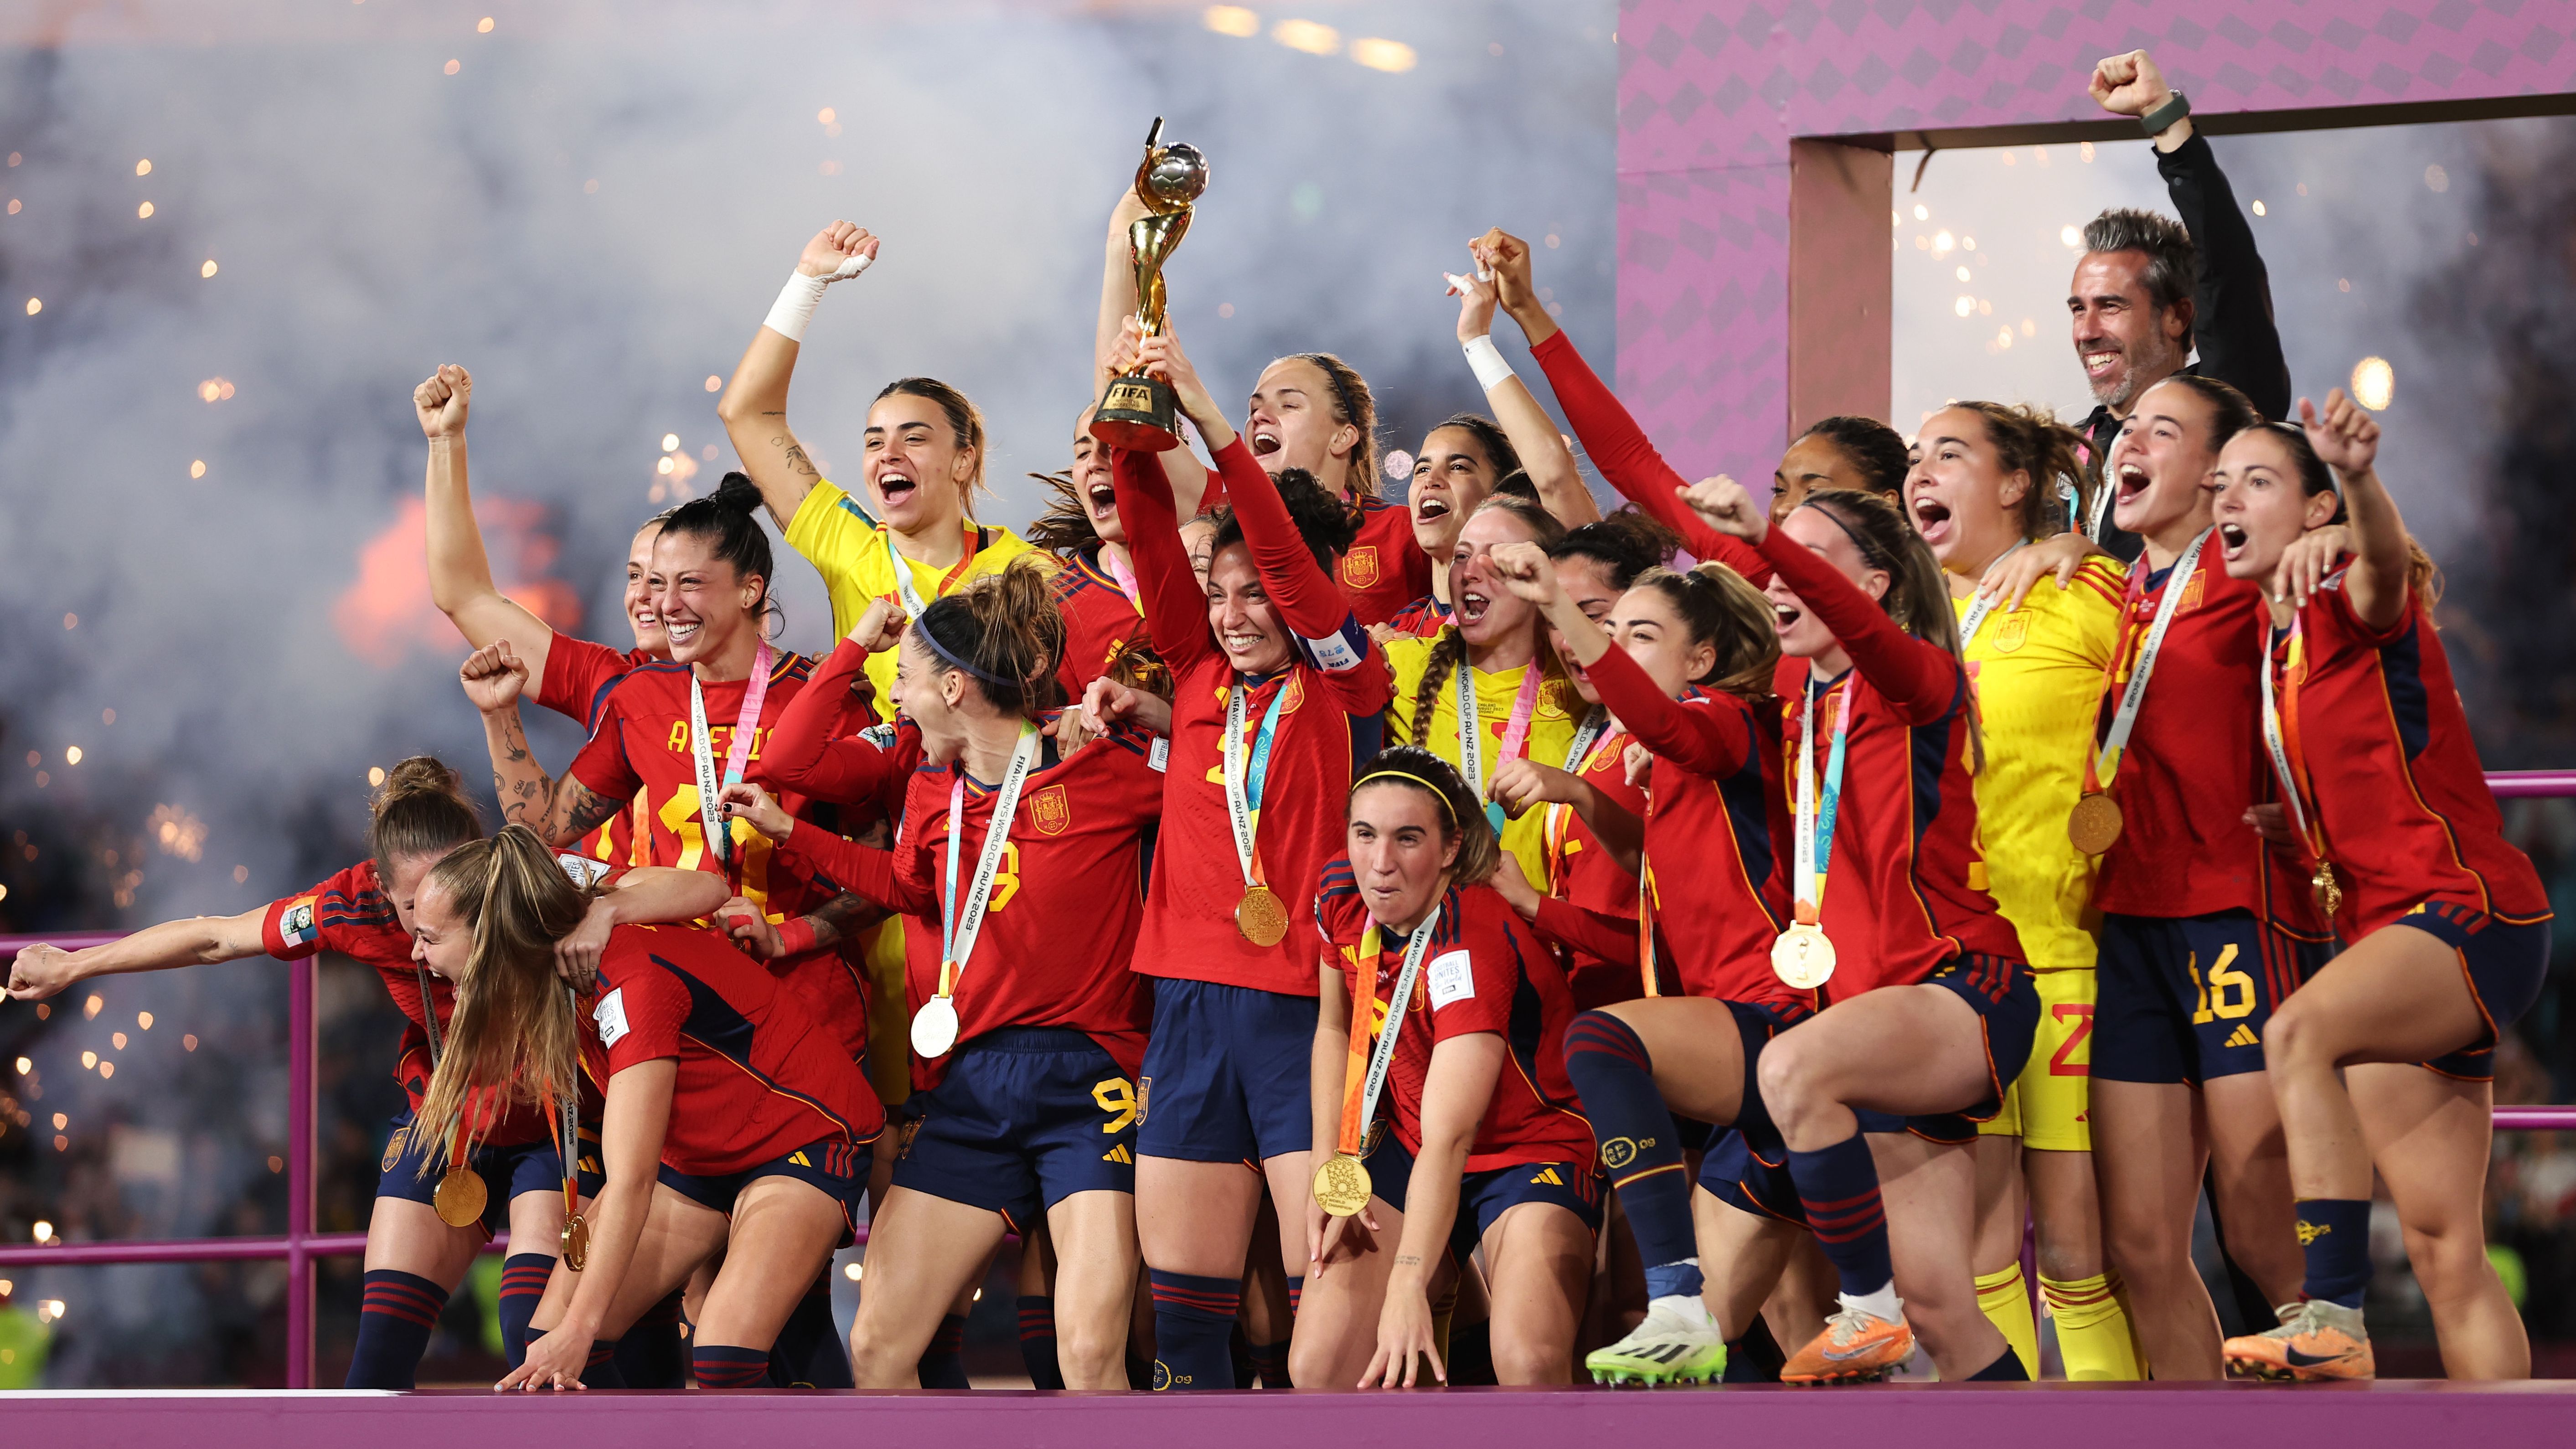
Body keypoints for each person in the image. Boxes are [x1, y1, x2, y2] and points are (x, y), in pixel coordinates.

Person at [1, 761, 725, 1387]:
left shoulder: (522, 876)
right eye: (417, 908)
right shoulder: (351, 902)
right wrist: (77, 963)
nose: (437, 919)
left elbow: (704, 890)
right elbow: (217, 935)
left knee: (530, 1336)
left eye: (458, 893)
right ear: (383, 890)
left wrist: (605, 909)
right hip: (451, 1126)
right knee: (375, 1359)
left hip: (560, 1123)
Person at [721, 560, 1159, 1391]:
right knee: (883, 1347)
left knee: (1091, 1353)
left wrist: (1145, 713)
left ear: (955, 687)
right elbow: (908, 885)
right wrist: (790, 832)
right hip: (971, 1083)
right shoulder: (932, 791)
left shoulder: (1099, 769)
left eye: (909, 678)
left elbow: (1224, 774)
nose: (897, 696)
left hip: (1088, 1079)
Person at [2210, 395, 2549, 1381]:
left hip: (2462, 911)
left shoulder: (2346, 597)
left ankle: (2330, 1310)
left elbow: (2384, 567)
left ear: (2316, 513)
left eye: (2257, 480)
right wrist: (2301, 824)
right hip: (2396, 936)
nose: (2227, 496)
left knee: (2295, 1033)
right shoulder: (2272, 644)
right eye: (2219, 482)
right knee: (2446, 1248)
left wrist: (2356, 476)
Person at [1086, 320, 1393, 1391]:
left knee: (1326, 1332)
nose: (1233, 614)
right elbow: (1149, 538)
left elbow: (1290, 575)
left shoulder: (1348, 673)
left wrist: (1209, 416)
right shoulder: (1199, 671)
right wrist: (1133, 419)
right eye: (1221, 596)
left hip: (1308, 1017)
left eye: (1254, 591)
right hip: (1187, 1006)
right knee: (1187, 1332)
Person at [1681, 479, 2039, 1386]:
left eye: (1800, 558)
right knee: (1945, 1315)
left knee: (1789, 1065)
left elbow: (1858, 624)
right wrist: (1520, 336)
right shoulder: (1798, 679)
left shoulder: (1916, 673)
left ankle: (1864, 1308)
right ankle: (1907, 1323)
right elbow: (1650, 483)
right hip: (1876, 1025)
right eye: (1771, 562)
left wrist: (1765, 530)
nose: (1773, 577)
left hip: (1964, 987)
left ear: (1871, 582)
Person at [2039, 375, 2333, 1381]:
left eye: (2158, 431)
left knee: (2261, 1228)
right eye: (2126, 427)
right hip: (2127, 923)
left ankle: (2341, 1413)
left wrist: (2315, 820)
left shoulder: (2253, 571)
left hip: (2235, 911)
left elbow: (2345, 674)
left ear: (2214, 479)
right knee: (2141, 1247)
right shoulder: (2125, 590)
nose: (2128, 440)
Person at [1481, 539, 1809, 1387]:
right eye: (1608, 632)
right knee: (1717, 1355)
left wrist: (1557, 602)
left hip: (1781, 1026)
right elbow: (1649, 910)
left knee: (1600, 1041)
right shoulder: (1661, 757)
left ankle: (1671, 1288)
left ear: (1700, 657)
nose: (1613, 653)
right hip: (1744, 1071)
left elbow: (1669, 722)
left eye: (1640, 637)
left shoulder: (1728, 720)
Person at [404, 827, 881, 1391]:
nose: (415, 952)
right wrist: (573, 1328)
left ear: (490, 936)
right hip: (699, 1157)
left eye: (429, 936)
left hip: (801, 1134)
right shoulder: (540, 922)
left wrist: (584, 1327)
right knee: (544, 1341)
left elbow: (631, 1177)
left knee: (722, 1353)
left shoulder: (628, 984)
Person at [1906, 402, 2142, 1379]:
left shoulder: (2076, 588)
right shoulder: (1909, 622)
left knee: (2080, 1258)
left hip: (2061, 958)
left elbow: (2159, 688)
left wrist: (2087, 549)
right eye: (1913, 455)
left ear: (2013, 485)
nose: (1920, 468)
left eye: (1947, 453)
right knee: (1979, 1251)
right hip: (1955, 971)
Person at [1292, 750, 1599, 1387]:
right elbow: (1330, 1024)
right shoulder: (1337, 889)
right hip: (1408, 1140)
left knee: (1529, 1361)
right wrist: (1330, 1159)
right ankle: (1456, 1333)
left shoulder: (1470, 936)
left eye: (1408, 838)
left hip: (1524, 1148)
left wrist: (1408, 1281)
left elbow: (1453, 1134)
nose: (1380, 863)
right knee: (1319, 1370)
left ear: (1451, 846)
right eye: (1364, 833)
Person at [716, 221, 1044, 719]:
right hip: (882, 794)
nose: (888, 453)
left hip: (991, 795)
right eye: (874, 441)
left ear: (963, 459)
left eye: (913, 438)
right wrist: (807, 281)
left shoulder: (1030, 575)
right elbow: (746, 414)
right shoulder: (850, 545)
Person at [1471, 227, 1904, 560]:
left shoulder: (1941, 614)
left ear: (1884, 507)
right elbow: (1629, 459)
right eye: (1777, 491)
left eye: (1811, 492)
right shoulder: (1753, 566)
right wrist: (1525, 307)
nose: (1785, 509)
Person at [1096, 190, 1423, 628]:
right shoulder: (1221, 509)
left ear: (1344, 435)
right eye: (1253, 407)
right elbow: (1122, 410)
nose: (1259, 417)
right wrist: (1121, 244)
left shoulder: (1402, 533)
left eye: (1289, 403)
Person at [417, 363, 667, 867]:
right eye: (635, 576)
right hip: (620, 941)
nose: (643, 596)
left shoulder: (793, 690)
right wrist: (446, 443)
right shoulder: (613, 680)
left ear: (747, 591)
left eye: (670, 579)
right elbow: (463, 594)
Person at [2070, 49, 2292, 557]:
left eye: (2110, 306)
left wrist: (2165, 123)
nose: (2086, 331)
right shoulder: (2066, 454)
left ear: (2178, 316)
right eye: (2077, 309)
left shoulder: (2224, 411)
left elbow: (2226, 271)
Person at [1484, 512, 1672, 1010]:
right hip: (1584, 1017)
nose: (1568, 639)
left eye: (1589, 613)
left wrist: (1534, 905)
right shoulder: (1597, 741)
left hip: (1644, 1027)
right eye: (1552, 620)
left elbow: (1658, 945)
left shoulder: (1672, 743)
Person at [1380, 265, 1597, 638]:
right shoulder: (1397, 635)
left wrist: (1476, 341)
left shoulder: (1542, 605)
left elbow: (1555, 475)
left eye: (1459, 467)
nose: (1431, 480)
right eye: (1420, 470)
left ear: (1499, 495)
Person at [1383, 494, 1580, 892]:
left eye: (1496, 558)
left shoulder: (1583, 687)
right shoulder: (1398, 667)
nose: (1469, 571)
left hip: (1552, 941)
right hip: (1428, 941)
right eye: (1461, 555)